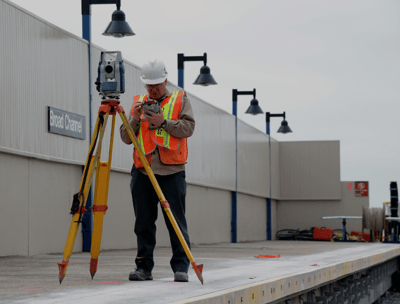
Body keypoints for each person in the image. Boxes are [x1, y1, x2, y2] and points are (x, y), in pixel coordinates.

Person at [120, 59, 195, 282]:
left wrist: (164, 122)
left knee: (176, 222)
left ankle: (181, 267)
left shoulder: (180, 99)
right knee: (143, 223)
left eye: (156, 86)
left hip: (171, 171)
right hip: (143, 171)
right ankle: (143, 268)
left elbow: (188, 128)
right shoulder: (139, 103)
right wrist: (134, 117)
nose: (152, 90)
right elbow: (125, 137)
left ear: (165, 80)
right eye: (149, 86)